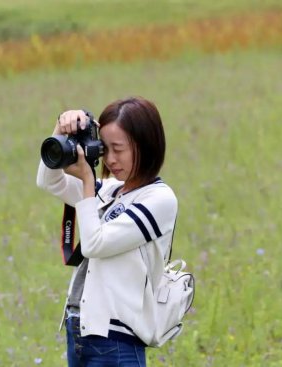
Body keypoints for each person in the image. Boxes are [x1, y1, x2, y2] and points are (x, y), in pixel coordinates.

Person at [36, 97, 178, 367]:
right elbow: (47, 180)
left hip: (116, 339)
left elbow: (94, 244)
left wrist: (88, 181)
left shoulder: (159, 199)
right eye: (104, 148)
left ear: (146, 145)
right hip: (80, 330)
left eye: (118, 149)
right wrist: (60, 130)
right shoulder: (110, 190)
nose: (110, 159)